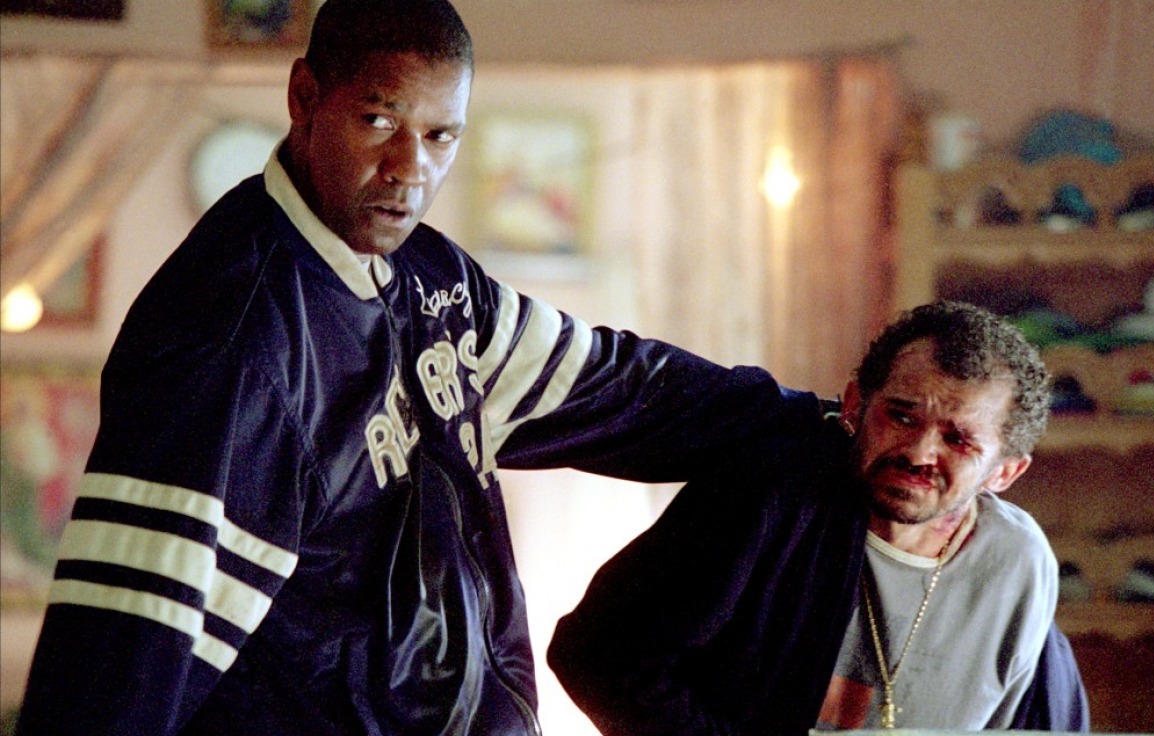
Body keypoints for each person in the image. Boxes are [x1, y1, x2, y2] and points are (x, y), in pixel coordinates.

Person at [14, 2, 807, 734]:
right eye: (379, 120)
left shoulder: (431, 280)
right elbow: (117, 667)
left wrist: (822, 421)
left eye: (439, 136)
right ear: (304, 97)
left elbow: (619, 388)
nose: (408, 167)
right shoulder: (231, 343)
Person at [548, 300, 1090, 735]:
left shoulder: (1017, 563)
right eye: (901, 416)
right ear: (855, 405)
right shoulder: (769, 496)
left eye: (959, 439)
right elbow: (597, 654)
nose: (920, 452)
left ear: (1006, 471)